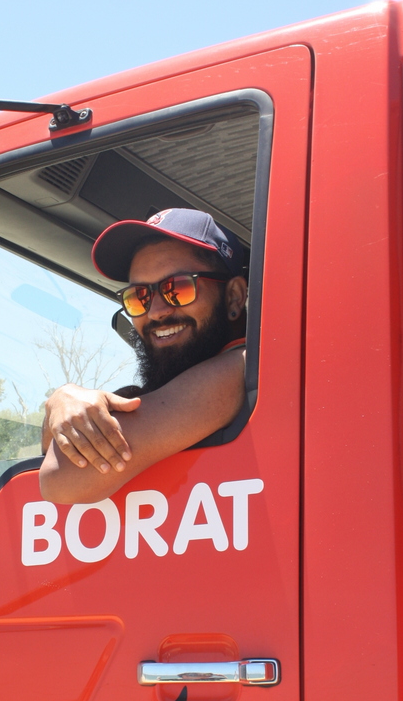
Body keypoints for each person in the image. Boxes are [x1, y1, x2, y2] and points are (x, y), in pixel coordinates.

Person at [39, 208, 248, 504]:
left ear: (234, 297)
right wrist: (61, 403)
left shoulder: (242, 366)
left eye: (178, 287)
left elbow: (59, 478)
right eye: (140, 296)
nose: (156, 311)